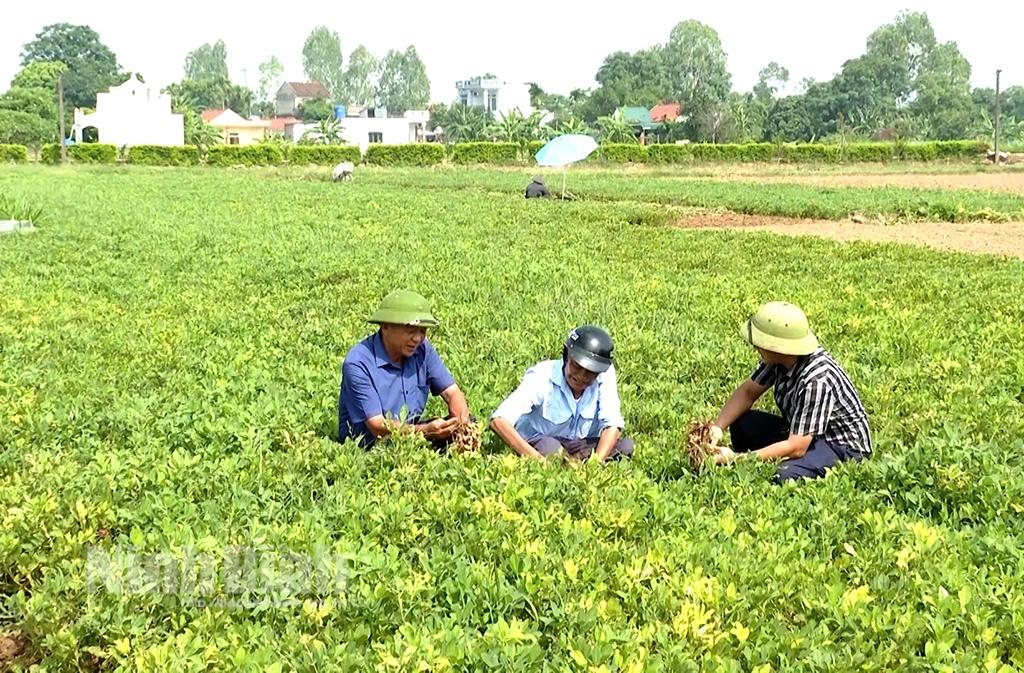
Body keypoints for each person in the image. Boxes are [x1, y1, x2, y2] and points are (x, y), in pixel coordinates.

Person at [709, 301, 872, 482]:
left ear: (777, 347)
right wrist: (718, 427)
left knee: (783, 474)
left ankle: (754, 461)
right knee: (741, 422)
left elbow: (797, 447)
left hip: (839, 445)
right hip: (802, 431)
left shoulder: (816, 380)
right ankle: (759, 458)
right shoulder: (778, 359)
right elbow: (748, 392)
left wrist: (739, 459)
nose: (756, 347)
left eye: (761, 343)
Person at [337, 289, 469, 448]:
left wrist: (461, 423)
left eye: (423, 331)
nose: (417, 338)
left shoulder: (423, 350)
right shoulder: (358, 363)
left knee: (465, 426)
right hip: (371, 444)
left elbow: (452, 393)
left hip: (412, 433)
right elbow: (377, 426)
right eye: (410, 330)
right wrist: (425, 431)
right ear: (385, 327)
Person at [490, 325, 633, 462]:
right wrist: (538, 460)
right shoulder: (541, 376)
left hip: (581, 444)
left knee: (625, 446)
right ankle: (562, 461)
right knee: (551, 448)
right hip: (543, 442)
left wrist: (594, 464)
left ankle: (576, 462)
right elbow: (498, 420)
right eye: (576, 366)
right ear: (566, 357)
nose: (581, 376)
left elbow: (612, 425)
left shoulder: (605, 374)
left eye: (590, 372)